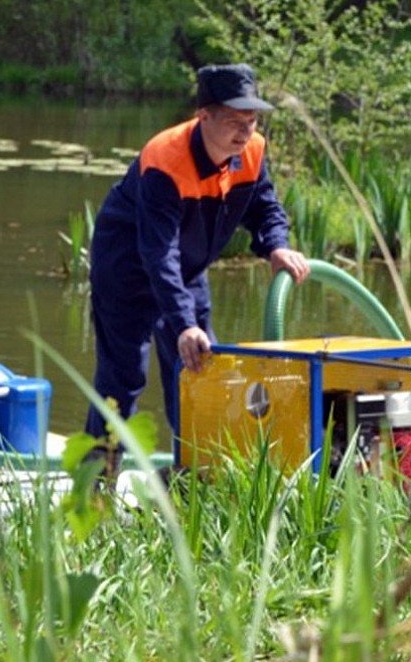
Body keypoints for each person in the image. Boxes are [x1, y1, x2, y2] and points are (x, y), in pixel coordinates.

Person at [83, 63, 309, 451]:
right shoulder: (165, 161)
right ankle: (96, 493)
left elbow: (265, 207)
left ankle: (191, 492)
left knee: (200, 376)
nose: (245, 131)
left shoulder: (251, 152)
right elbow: (158, 252)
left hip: (185, 270)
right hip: (128, 271)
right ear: (203, 115)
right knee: (122, 380)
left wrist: (276, 244)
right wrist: (184, 324)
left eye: (252, 120)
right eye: (234, 121)